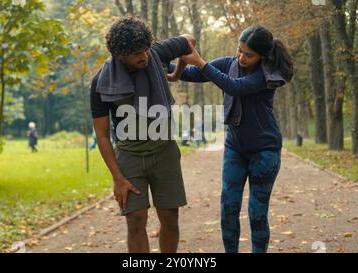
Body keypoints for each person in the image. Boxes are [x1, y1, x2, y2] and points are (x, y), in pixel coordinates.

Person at [168, 25, 294, 253]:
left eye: (249, 54)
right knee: (228, 209)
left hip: (265, 151)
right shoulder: (229, 63)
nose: (242, 57)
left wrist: (202, 62)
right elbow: (191, 73)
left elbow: (234, 87)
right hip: (235, 147)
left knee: (257, 213)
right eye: (240, 50)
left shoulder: (266, 75)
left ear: (262, 56)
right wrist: (156, 58)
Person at [90, 16, 196, 253]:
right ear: (120, 54)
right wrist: (118, 178)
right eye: (137, 53)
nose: (145, 56)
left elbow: (189, 41)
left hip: (164, 151)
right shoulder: (101, 82)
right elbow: (102, 134)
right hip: (130, 156)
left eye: (146, 49)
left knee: (170, 218)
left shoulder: (156, 52)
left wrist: (177, 72)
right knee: (135, 220)